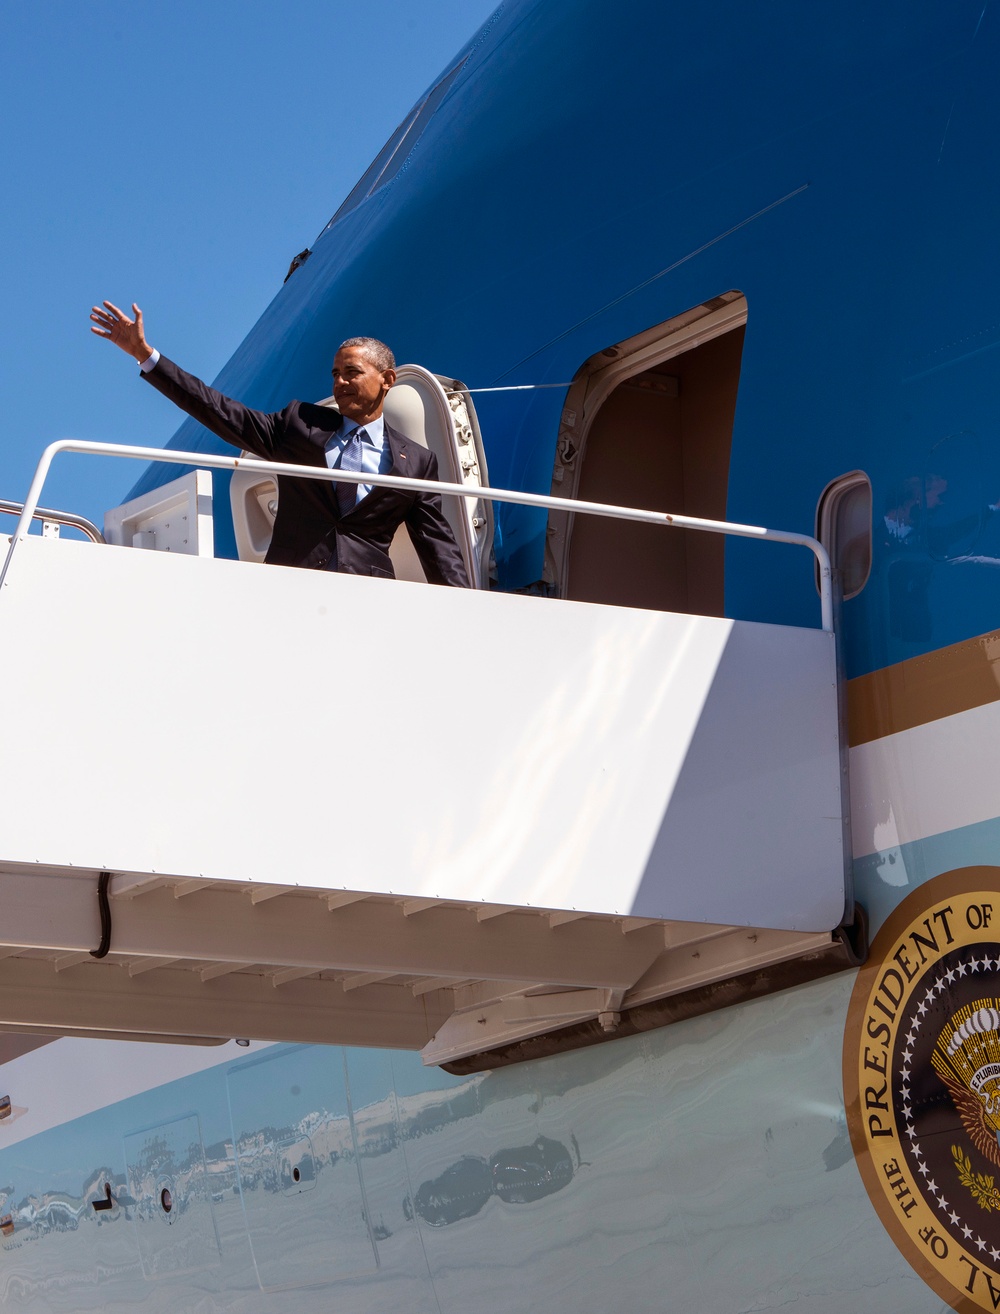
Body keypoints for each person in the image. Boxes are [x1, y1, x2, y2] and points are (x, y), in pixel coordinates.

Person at [89, 300, 470, 586]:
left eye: (352, 372)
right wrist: (146, 356)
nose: (339, 382)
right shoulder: (300, 425)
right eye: (335, 373)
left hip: (368, 597)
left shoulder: (416, 461)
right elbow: (219, 410)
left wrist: (475, 612)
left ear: (387, 379)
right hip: (290, 589)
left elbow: (438, 547)